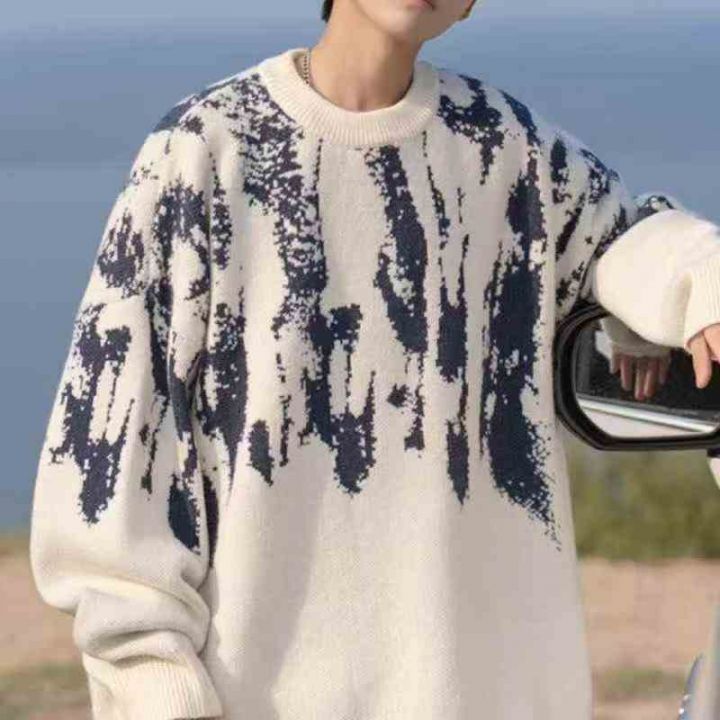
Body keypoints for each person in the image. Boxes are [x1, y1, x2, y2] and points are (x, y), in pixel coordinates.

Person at [28, 0, 720, 718]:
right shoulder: (206, 150)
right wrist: (154, 685)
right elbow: (112, 453)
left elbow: (626, 238)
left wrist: (700, 287)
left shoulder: (506, 149)